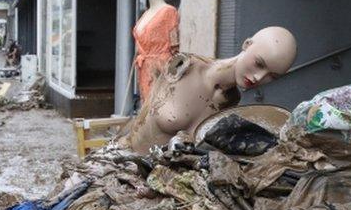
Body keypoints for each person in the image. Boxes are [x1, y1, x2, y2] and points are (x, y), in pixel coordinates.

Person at [122, 26, 297, 154]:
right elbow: (144, 117)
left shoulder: (231, 99)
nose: (259, 77)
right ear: (247, 44)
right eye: (259, 64)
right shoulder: (185, 66)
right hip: (126, 161)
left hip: (163, 182)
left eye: (272, 76)